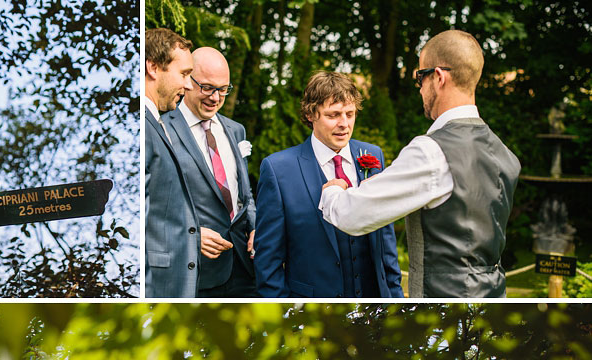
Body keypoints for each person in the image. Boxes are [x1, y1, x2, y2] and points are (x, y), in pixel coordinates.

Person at [319, 30, 521, 298]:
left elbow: (351, 215)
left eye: (419, 77)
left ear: (438, 77)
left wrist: (333, 191)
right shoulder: (503, 152)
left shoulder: (432, 151)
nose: (419, 88)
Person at [254, 71, 403, 297]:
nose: (344, 124)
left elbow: (386, 240)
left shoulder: (373, 156)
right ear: (311, 113)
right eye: (333, 115)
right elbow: (268, 261)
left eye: (350, 114)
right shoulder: (278, 169)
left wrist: (395, 300)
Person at [163, 46, 257, 297]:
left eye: (223, 90)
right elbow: (157, 203)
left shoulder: (236, 130)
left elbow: (244, 196)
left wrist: (257, 228)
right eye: (207, 88)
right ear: (187, 80)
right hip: (197, 272)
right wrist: (191, 233)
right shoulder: (163, 129)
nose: (215, 98)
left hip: (245, 266)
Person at [144, 28, 200, 297]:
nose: (189, 86)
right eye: (184, 74)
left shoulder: (158, 123)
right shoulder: (143, 127)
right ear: (153, 67)